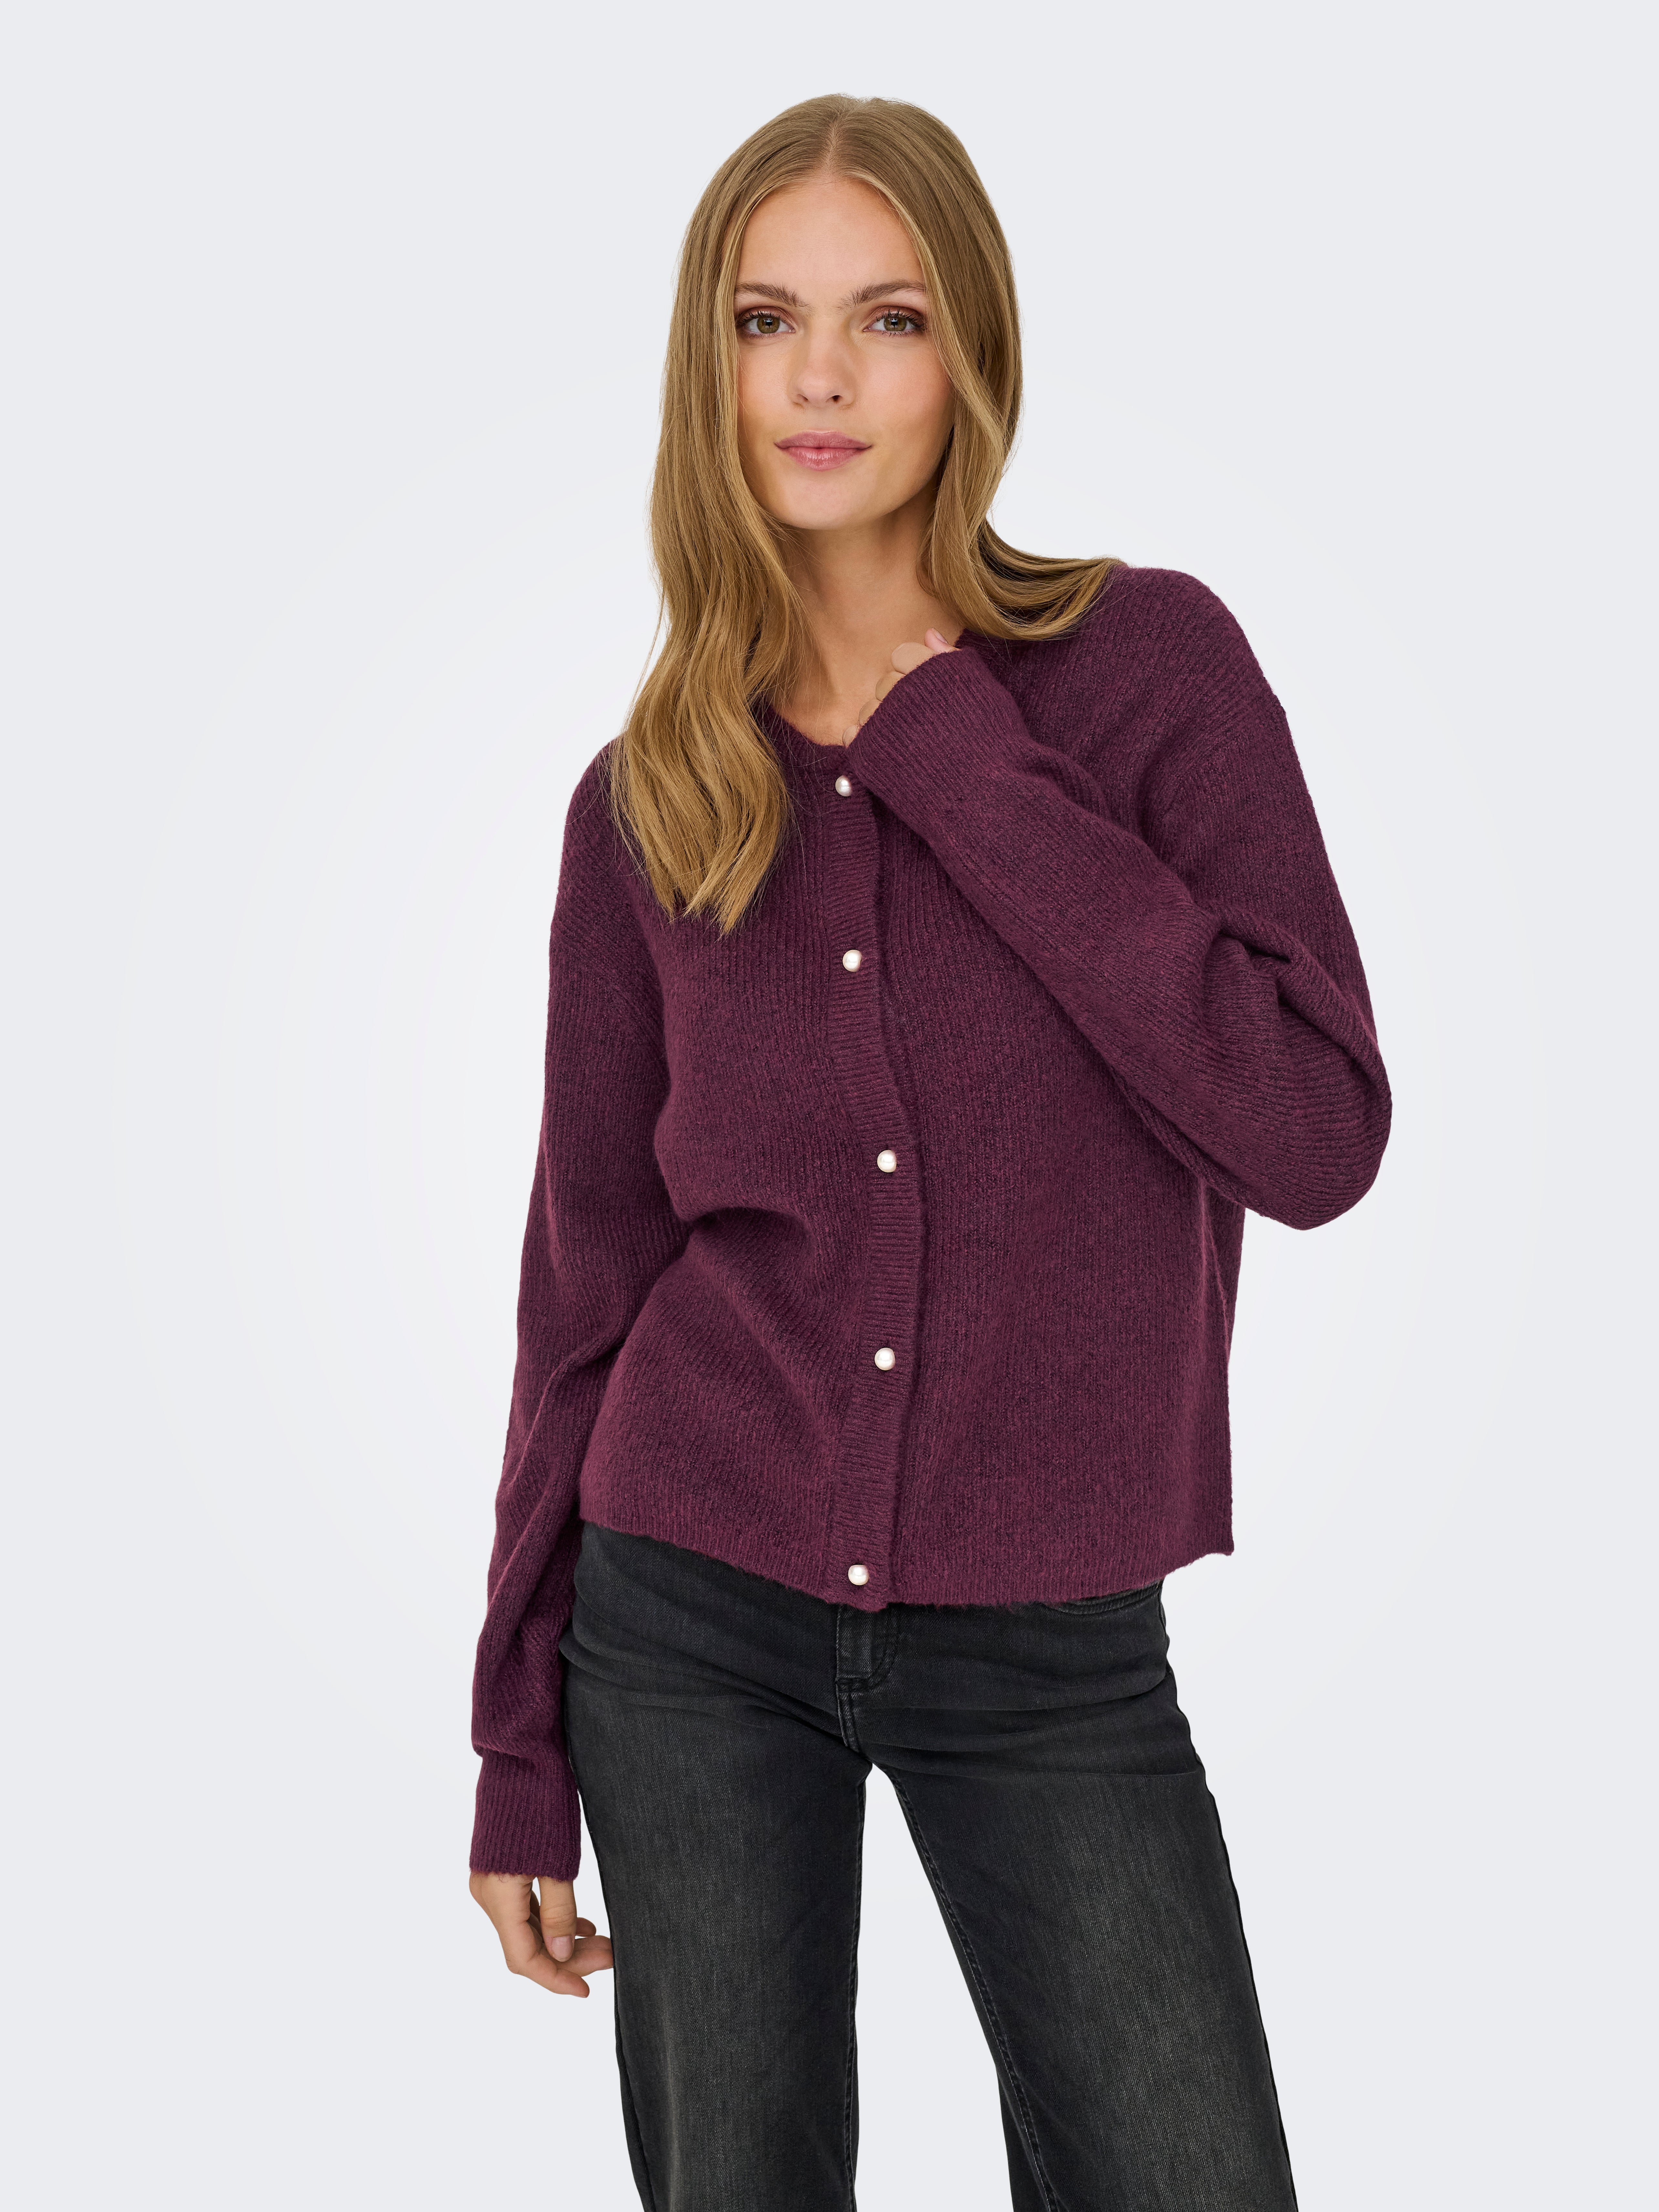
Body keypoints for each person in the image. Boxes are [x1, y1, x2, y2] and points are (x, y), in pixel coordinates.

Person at [467, 91, 1391, 2212]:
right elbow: (582, 1288)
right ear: (707, 366)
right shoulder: (648, 801)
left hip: (1053, 1645)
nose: (819, 377)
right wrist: (518, 1744)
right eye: (765, 320)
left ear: (969, 348)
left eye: (884, 319)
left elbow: (1313, 1128)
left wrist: (959, 755)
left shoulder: (1145, 671)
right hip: (688, 1618)